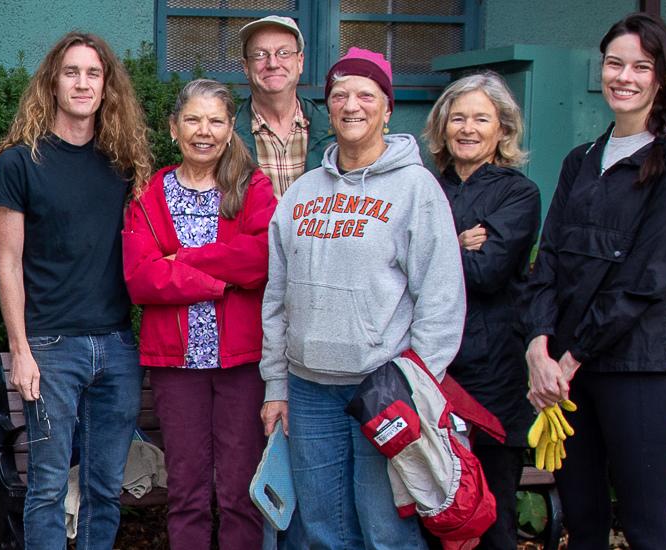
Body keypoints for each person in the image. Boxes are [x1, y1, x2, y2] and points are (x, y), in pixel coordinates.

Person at [523, 13, 666, 550]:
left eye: (641, 66)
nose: (624, 77)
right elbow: (551, 264)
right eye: (615, 63)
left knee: (646, 527)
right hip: (564, 377)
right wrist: (539, 347)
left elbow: (648, 276)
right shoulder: (580, 160)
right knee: (583, 523)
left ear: (664, 78)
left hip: (634, 366)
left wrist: (572, 355)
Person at [260, 47, 464, 549]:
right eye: (339, 95)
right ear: (328, 108)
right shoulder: (301, 194)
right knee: (325, 531)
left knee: (386, 530)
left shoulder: (417, 190)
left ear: (387, 108)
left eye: (365, 95)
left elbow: (441, 298)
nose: (352, 104)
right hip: (309, 392)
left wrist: (414, 383)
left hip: (382, 390)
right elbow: (277, 297)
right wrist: (276, 387)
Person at [0, 31, 154, 550]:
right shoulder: (20, 162)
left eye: (93, 74)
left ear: (107, 87)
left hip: (118, 345)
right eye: (71, 72)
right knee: (47, 488)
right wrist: (21, 350)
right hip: (51, 349)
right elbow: (7, 261)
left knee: (106, 488)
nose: (82, 83)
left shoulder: (123, 162)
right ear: (53, 83)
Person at [120, 78, 276, 550]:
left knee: (238, 491)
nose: (202, 131)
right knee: (186, 490)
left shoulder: (252, 186)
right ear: (173, 127)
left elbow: (262, 259)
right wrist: (222, 277)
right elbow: (141, 279)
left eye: (215, 120)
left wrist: (184, 259)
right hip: (176, 365)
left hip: (241, 363)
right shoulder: (149, 194)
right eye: (192, 119)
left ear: (231, 130)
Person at [421, 71, 542, 550]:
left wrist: (433, 253)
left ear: (503, 130)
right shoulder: (424, 186)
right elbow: (394, 268)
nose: (467, 129)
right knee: (431, 498)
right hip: (430, 365)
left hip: (493, 369)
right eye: (457, 118)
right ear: (443, 127)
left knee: (492, 507)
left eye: (481, 119)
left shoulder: (518, 193)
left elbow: (488, 272)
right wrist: (457, 244)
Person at [234, 16, 333, 195]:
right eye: (260, 54)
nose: (272, 63)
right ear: (246, 67)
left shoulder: (332, 131)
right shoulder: (227, 135)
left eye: (284, 53)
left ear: (300, 61)